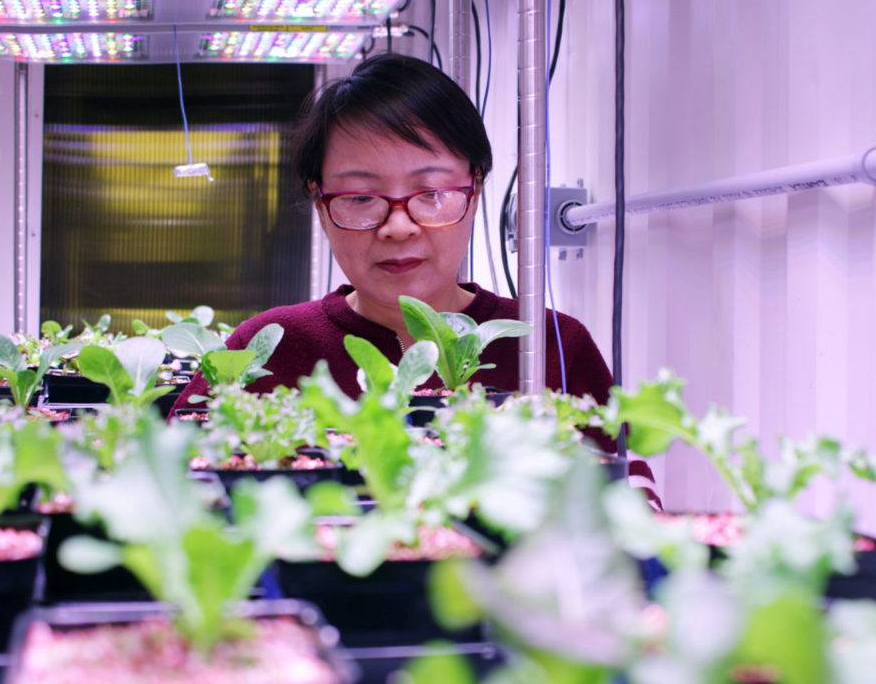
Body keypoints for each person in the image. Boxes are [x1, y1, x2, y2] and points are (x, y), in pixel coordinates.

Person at [170, 53, 655, 491]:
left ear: (475, 189)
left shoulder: (550, 347)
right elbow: (168, 492)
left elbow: (630, 512)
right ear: (320, 203)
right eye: (360, 198)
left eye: (431, 194)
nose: (398, 226)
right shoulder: (268, 346)